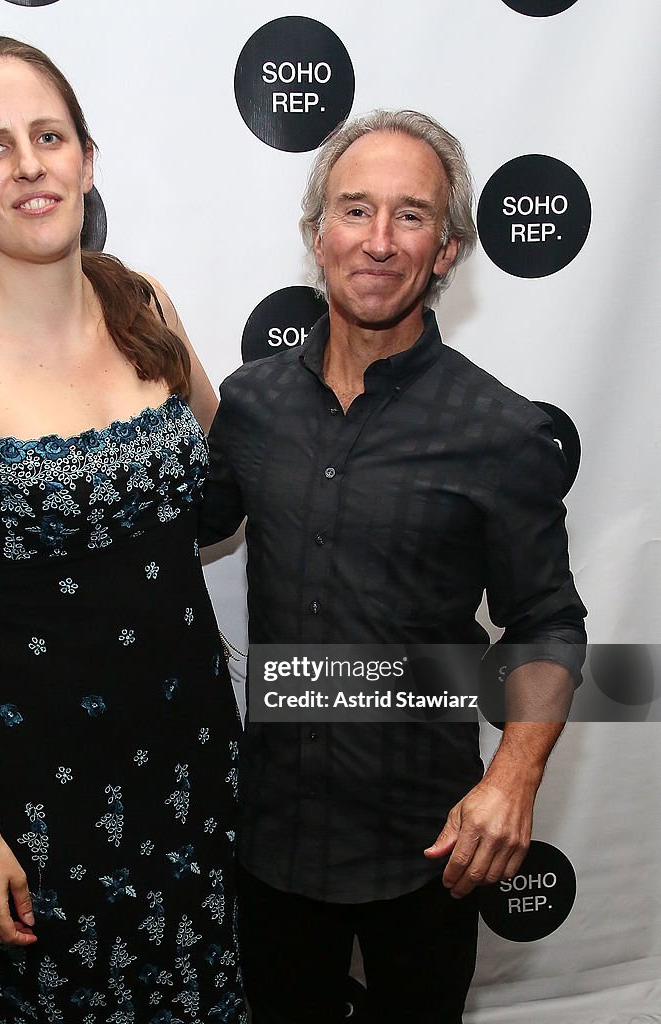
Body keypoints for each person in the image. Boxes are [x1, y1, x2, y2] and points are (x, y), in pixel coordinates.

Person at [0, 35, 245, 1024]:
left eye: (48, 135)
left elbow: (224, 494)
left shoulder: (145, 305)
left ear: (85, 156)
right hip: (41, 804)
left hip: (196, 768)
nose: (29, 164)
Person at [199, 109, 586, 1023]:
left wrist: (513, 777)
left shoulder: (501, 432)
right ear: (315, 233)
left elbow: (546, 623)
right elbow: (177, 529)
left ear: (448, 248)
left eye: (409, 216)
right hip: (273, 839)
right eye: (354, 210)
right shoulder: (249, 407)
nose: (377, 241)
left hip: (426, 843)